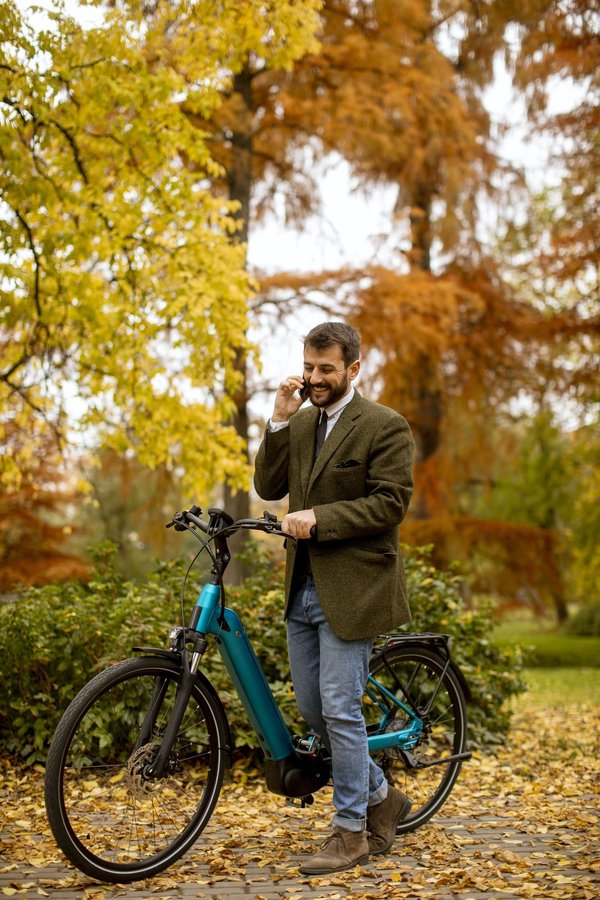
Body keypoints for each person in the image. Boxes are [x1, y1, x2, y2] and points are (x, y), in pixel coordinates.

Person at [254, 321, 415, 875]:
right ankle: (381, 797)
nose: (315, 378)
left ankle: (350, 834)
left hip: (355, 586)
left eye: (327, 368)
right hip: (302, 587)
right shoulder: (299, 424)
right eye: (309, 367)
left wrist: (320, 517)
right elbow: (269, 486)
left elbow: (390, 503)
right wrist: (277, 418)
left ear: (353, 369)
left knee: (341, 710)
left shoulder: (385, 426)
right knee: (314, 708)